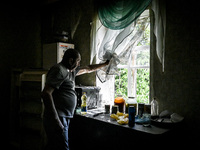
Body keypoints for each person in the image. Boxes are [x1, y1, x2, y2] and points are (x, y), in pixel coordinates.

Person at [41, 48, 109, 150]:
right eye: (78, 61)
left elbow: (89, 68)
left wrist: (105, 64)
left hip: (65, 116)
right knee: (63, 147)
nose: (79, 64)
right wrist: (56, 120)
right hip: (58, 117)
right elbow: (46, 93)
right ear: (70, 60)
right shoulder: (59, 70)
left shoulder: (71, 71)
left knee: (53, 145)